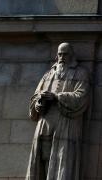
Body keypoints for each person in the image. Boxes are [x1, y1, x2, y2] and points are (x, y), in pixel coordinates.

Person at [25, 43, 90, 180]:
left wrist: (57, 97)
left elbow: (81, 96)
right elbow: (35, 97)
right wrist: (38, 103)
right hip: (45, 124)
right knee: (43, 158)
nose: (61, 57)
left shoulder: (80, 73)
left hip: (65, 123)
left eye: (65, 54)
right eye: (59, 54)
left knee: (62, 160)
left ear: (71, 56)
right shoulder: (48, 75)